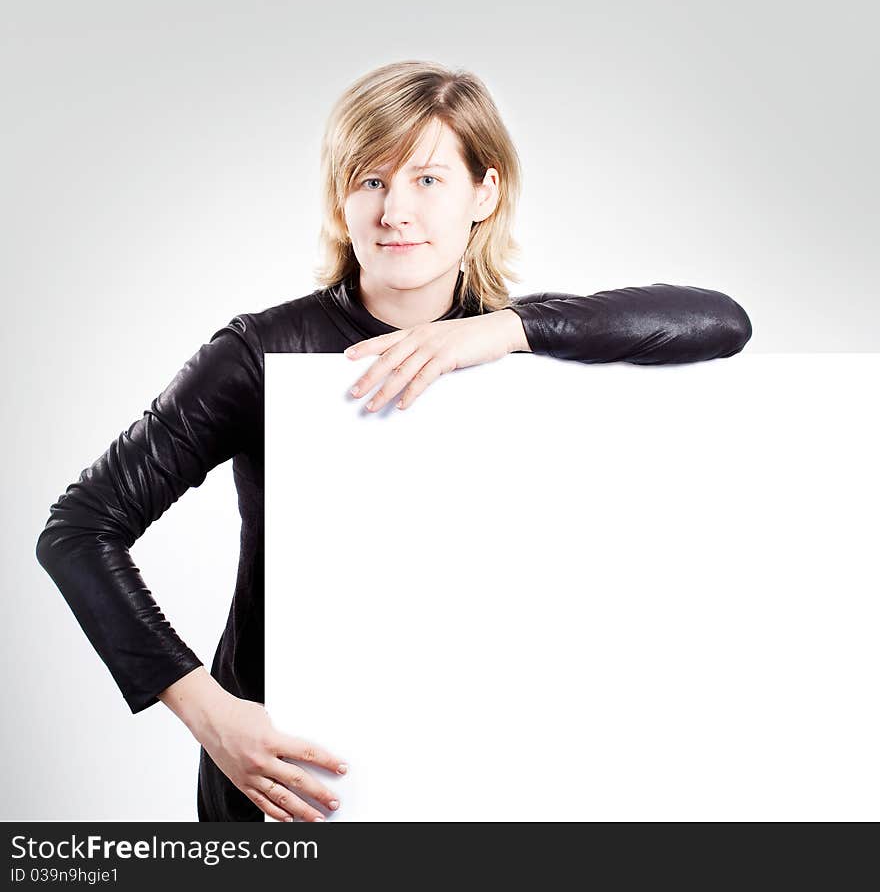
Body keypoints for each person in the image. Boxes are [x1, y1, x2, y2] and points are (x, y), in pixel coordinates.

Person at [35, 59, 753, 823]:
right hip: (284, 773)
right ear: (341, 198)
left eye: (428, 180)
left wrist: (508, 330)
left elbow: (723, 323)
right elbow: (79, 530)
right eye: (371, 181)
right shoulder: (259, 351)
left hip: (470, 764)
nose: (395, 212)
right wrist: (212, 716)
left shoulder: (521, 345)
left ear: (486, 190)